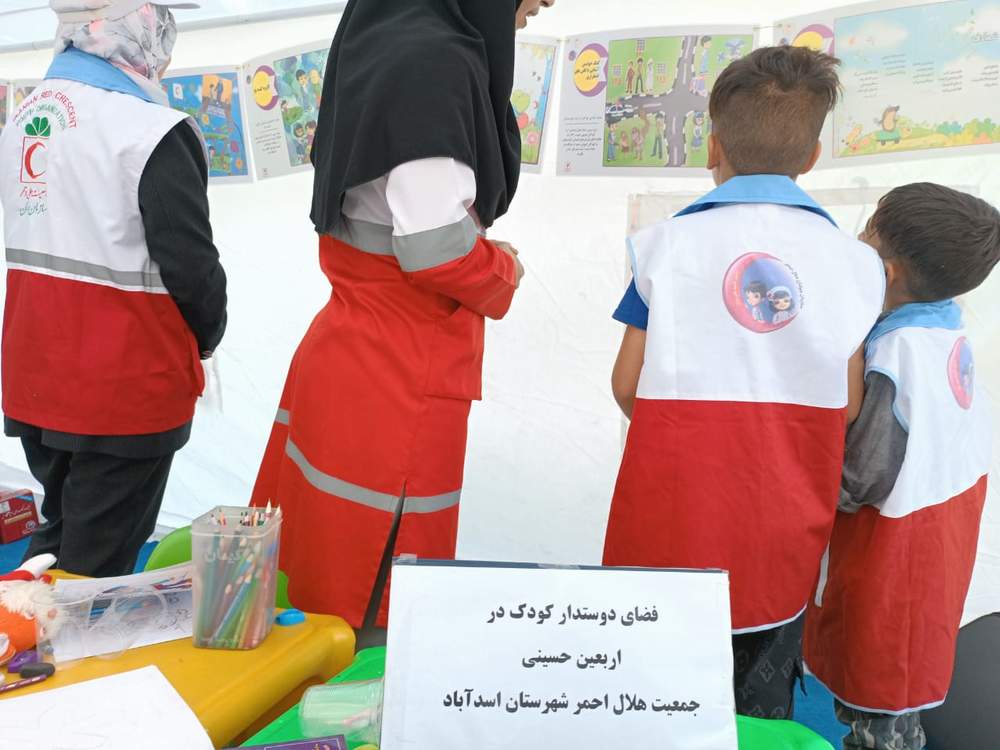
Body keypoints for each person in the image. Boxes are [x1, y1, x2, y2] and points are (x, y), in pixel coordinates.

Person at [250, 0, 553, 649]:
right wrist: (503, 269)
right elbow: (434, 247)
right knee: (372, 603)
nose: (545, 4)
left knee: (317, 577)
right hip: (398, 382)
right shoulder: (435, 61)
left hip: (350, 353)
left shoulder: (383, 36)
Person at [603, 46, 885, 718]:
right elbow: (848, 403)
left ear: (713, 146)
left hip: (672, 515)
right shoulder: (856, 264)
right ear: (812, 156)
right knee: (759, 705)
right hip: (782, 524)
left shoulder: (664, 246)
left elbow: (627, 384)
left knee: (653, 692)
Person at [0, 0, 227, 577]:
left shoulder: (25, 116)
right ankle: (45, 634)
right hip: (122, 385)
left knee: (58, 542)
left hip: (37, 372)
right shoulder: (148, 130)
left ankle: (23, 627)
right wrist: (209, 334)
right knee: (93, 573)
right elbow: (191, 266)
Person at [805, 184, 1000, 750]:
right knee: (907, 676)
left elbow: (864, 477)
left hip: (894, 552)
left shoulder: (895, 353)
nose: (858, 236)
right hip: (941, 534)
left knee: (880, 703)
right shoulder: (944, 326)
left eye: (868, 229)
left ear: (885, 272)